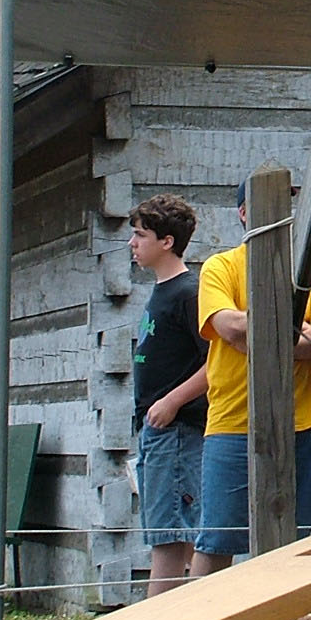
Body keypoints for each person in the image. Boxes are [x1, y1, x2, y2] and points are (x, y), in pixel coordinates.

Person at [194, 176, 311, 576]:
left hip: (303, 427)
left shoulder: (310, 271)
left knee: (305, 542)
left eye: (286, 205)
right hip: (233, 426)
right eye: (269, 205)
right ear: (244, 213)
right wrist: (299, 336)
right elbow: (228, 328)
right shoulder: (221, 267)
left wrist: (261, 335)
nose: (282, 215)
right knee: (217, 542)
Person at [129, 194, 211, 594]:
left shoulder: (189, 292)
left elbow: (217, 364)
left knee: (170, 534)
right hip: (156, 430)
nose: (132, 243)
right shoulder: (161, 291)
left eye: (140, 234)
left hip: (178, 430)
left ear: (166, 241)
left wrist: (173, 401)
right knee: (170, 532)